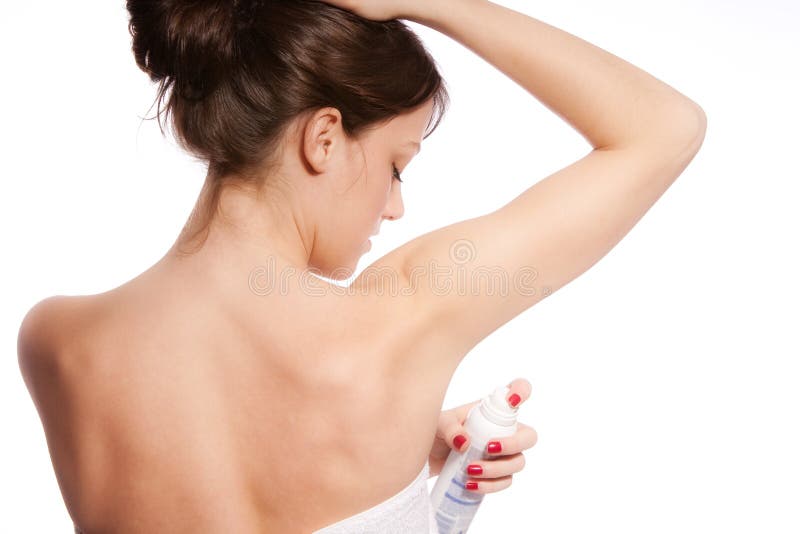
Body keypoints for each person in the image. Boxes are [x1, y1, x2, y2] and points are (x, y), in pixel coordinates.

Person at [17, 0, 705, 532]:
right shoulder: (404, 317)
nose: (396, 206)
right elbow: (665, 129)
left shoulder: (58, 341)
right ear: (323, 138)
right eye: (396, 166)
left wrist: (411, 463)